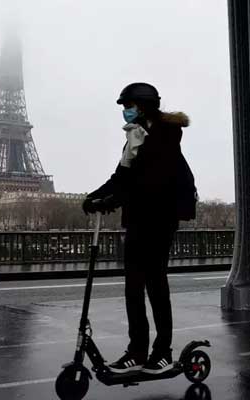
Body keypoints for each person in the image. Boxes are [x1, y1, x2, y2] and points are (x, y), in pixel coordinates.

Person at [83, 82, 197, 375]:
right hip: (136, 218)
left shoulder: (165, 135)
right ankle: (136, 351)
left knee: (156, 284)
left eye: (128, 105)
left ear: (143, 105)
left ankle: (162, 353)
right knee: (133, 287)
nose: (125, 111)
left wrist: (112, 200)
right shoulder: (134, 136)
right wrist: (94, 196)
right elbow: (121, 176)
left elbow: (150, 180)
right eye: (123, 107)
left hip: (160, 216)